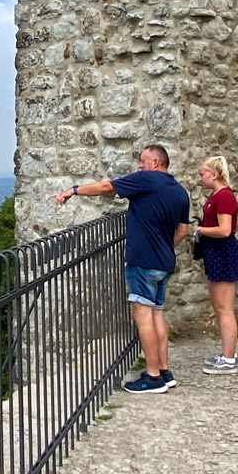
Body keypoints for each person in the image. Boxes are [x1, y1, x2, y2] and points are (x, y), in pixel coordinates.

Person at [55, 144, 191, 393]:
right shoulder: (180, 192)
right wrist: (163, 245)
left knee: (143, 315)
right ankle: (164, 370)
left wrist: (73, 191)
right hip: (164, 261)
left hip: (143, 261)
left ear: (155, 162)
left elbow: (106, 187)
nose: (140, 165)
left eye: (143, 160)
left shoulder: (146, 180)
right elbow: (183, 230)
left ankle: (152, 377)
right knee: (157, 314)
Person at [193, 156, 238, 375]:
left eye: (202, 174)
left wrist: (201, 230)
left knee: (224, 308)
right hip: (215, 253)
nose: (200, 178)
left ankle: (229, 358)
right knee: (219, 306)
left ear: (214, 175)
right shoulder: (216, 196)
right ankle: (226, 353)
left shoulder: (224, 197)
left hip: (223, 253)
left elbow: (224, 230)